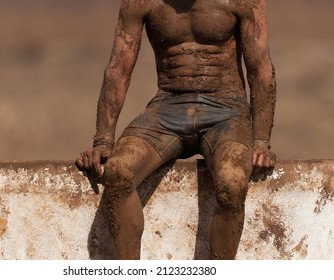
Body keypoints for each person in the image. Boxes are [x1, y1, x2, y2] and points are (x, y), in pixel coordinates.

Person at [76, 0, 276, 260]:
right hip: (168, 107)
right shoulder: (140, 3)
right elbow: (118, 68)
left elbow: (260, 69)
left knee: (233, 182)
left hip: (226, 112)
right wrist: (103, 140)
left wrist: (261, 142)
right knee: (117, 171)